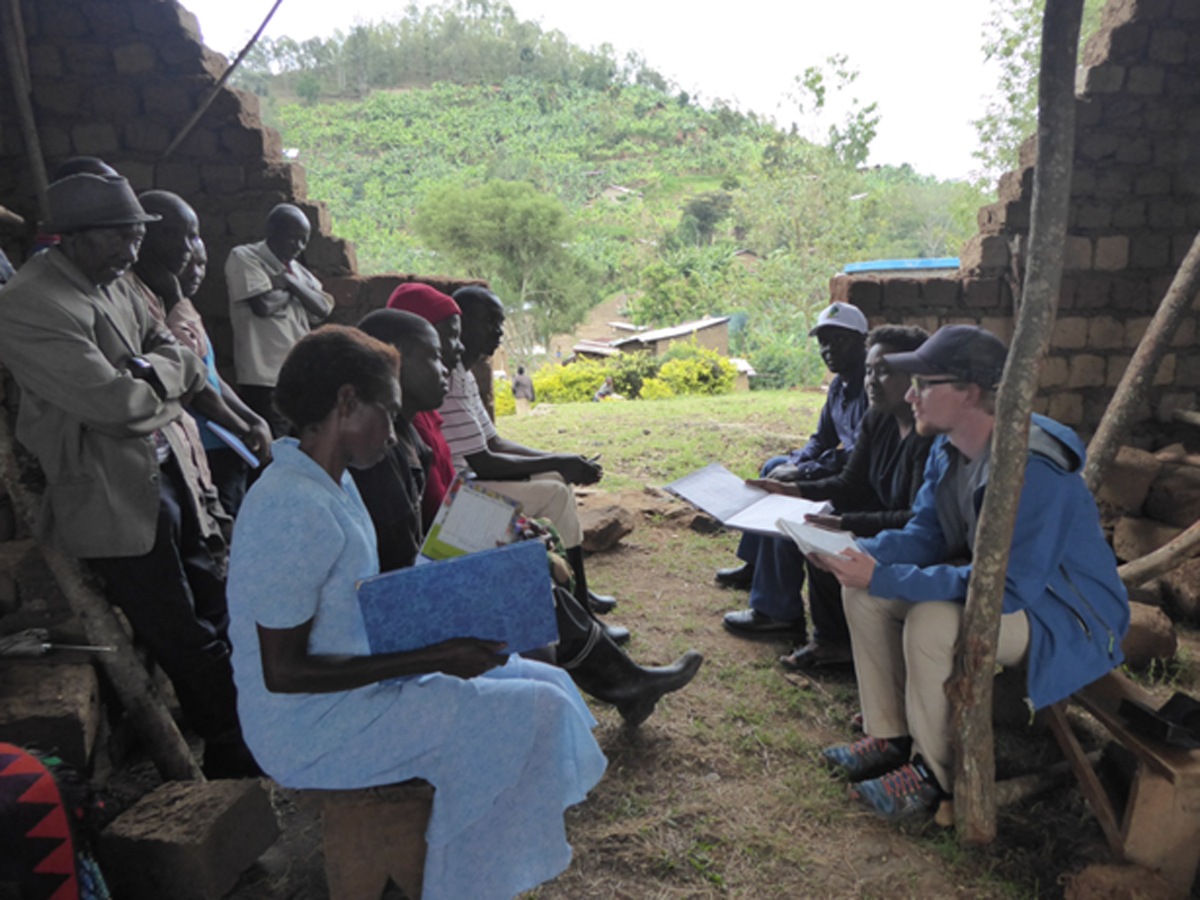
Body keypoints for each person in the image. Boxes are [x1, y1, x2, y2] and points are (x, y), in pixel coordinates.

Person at [226, 325, 608, 900]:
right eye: (390, 412)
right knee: (537, 713)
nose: (395, 431)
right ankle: (467, 881)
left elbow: (353, 604)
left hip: (350, 694)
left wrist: (456, 590)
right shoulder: (291, 507)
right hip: (311, 729)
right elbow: (283, 673)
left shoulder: (331, 482)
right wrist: (435, 655)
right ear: (347, 402)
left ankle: (473, 865)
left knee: (548, 681)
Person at [813, 325, 1130, 820]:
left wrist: (883, 575)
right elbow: (926, 535)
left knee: (932, 621)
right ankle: (890, 736)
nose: (910, 395)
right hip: (1009, 594)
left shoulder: (1033, 467)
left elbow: (1007, 588)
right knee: (865, 596)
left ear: (971, 392)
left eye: (924, 383)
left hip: (1064, 616)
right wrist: (854, 552)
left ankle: (933, 776)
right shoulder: (950, 446)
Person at [0, 173, 255, 776]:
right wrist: (160, 382)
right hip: (108, 490)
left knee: (214, 603)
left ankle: (242, 729)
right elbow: (117, 407)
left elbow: (176, 353)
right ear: (72, 238)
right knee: (179, 631)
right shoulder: (31, 305)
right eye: (118, 237)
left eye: (136, 237)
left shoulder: (117, 283)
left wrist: (151, 377)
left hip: (167, 471)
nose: (131, 251)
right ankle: (230, 745)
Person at [351, 309, 703, 727]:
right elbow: (402, 571)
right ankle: (591, 697)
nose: (448, 364)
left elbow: (444, 515)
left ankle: (623, 687)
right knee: (525, 581)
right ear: (397, 363)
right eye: (434, 356)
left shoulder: (411, 434)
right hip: (400, 608)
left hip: (419, 580)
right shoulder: (377, 452)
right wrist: (493, 562)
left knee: (528, 566)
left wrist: (508, 530)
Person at [400, 285, 620, 620]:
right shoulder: (445, 385)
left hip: (465, 486)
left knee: (555, 478)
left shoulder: (462, 377)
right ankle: (576, 608)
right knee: (555, 494)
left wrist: (560, 460)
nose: (499, 331)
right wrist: (561, 461)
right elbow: (484, 460)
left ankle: (575, 591)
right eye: (489, 322)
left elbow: (494, 441)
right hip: (464, 493)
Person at [746, 325, 934, 670]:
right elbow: (850, 482)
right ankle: (831, 639)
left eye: (885, 371)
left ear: (916, 376)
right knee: (816, 529)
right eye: (869, 371)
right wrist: (795, 490)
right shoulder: (878, 418)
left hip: (912, 535)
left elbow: (916, 519)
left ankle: (840, 642)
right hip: (881, 512)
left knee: (832, 537)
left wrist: (843, 522)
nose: (872, 381)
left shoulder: (929, 435)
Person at [720, 301, 869, 637]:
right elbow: (822, 439)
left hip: (861, 481)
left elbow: (860, 457)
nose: (829, 350)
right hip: (843, 470)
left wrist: (803, 474)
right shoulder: (839, 386)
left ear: (863, 341)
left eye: (840, 340)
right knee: (773, 467)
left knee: (786, 501)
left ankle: (778, 612)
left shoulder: (872, 390)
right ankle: (756, 565)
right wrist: (795, 463)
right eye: (823, 341)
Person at [133, 190, 272, 516]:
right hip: (197, 446)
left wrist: (253, 420)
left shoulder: (182, 305)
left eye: (193, 236)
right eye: (173, 235)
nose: (186, 250)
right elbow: (194, 387)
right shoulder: (146, 308)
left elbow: (210, 375)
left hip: (222, 442)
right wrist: (242, 425)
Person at [225, 202, 334, 437]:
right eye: (291, 238)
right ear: (272, 230)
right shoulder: (245, 257)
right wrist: (297, 292)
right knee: (272, 450)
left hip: (298, 377)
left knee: (298, 447)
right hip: (264, 378)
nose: (298, 246)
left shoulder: (298, 272)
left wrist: (290, 283)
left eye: (303, 240)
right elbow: (262, 305)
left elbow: (323, 308)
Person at [386, 283, 466, 530]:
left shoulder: (422, 414)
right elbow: (436, 516)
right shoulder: (393, 436)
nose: (460, 347)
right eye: (435, 354)